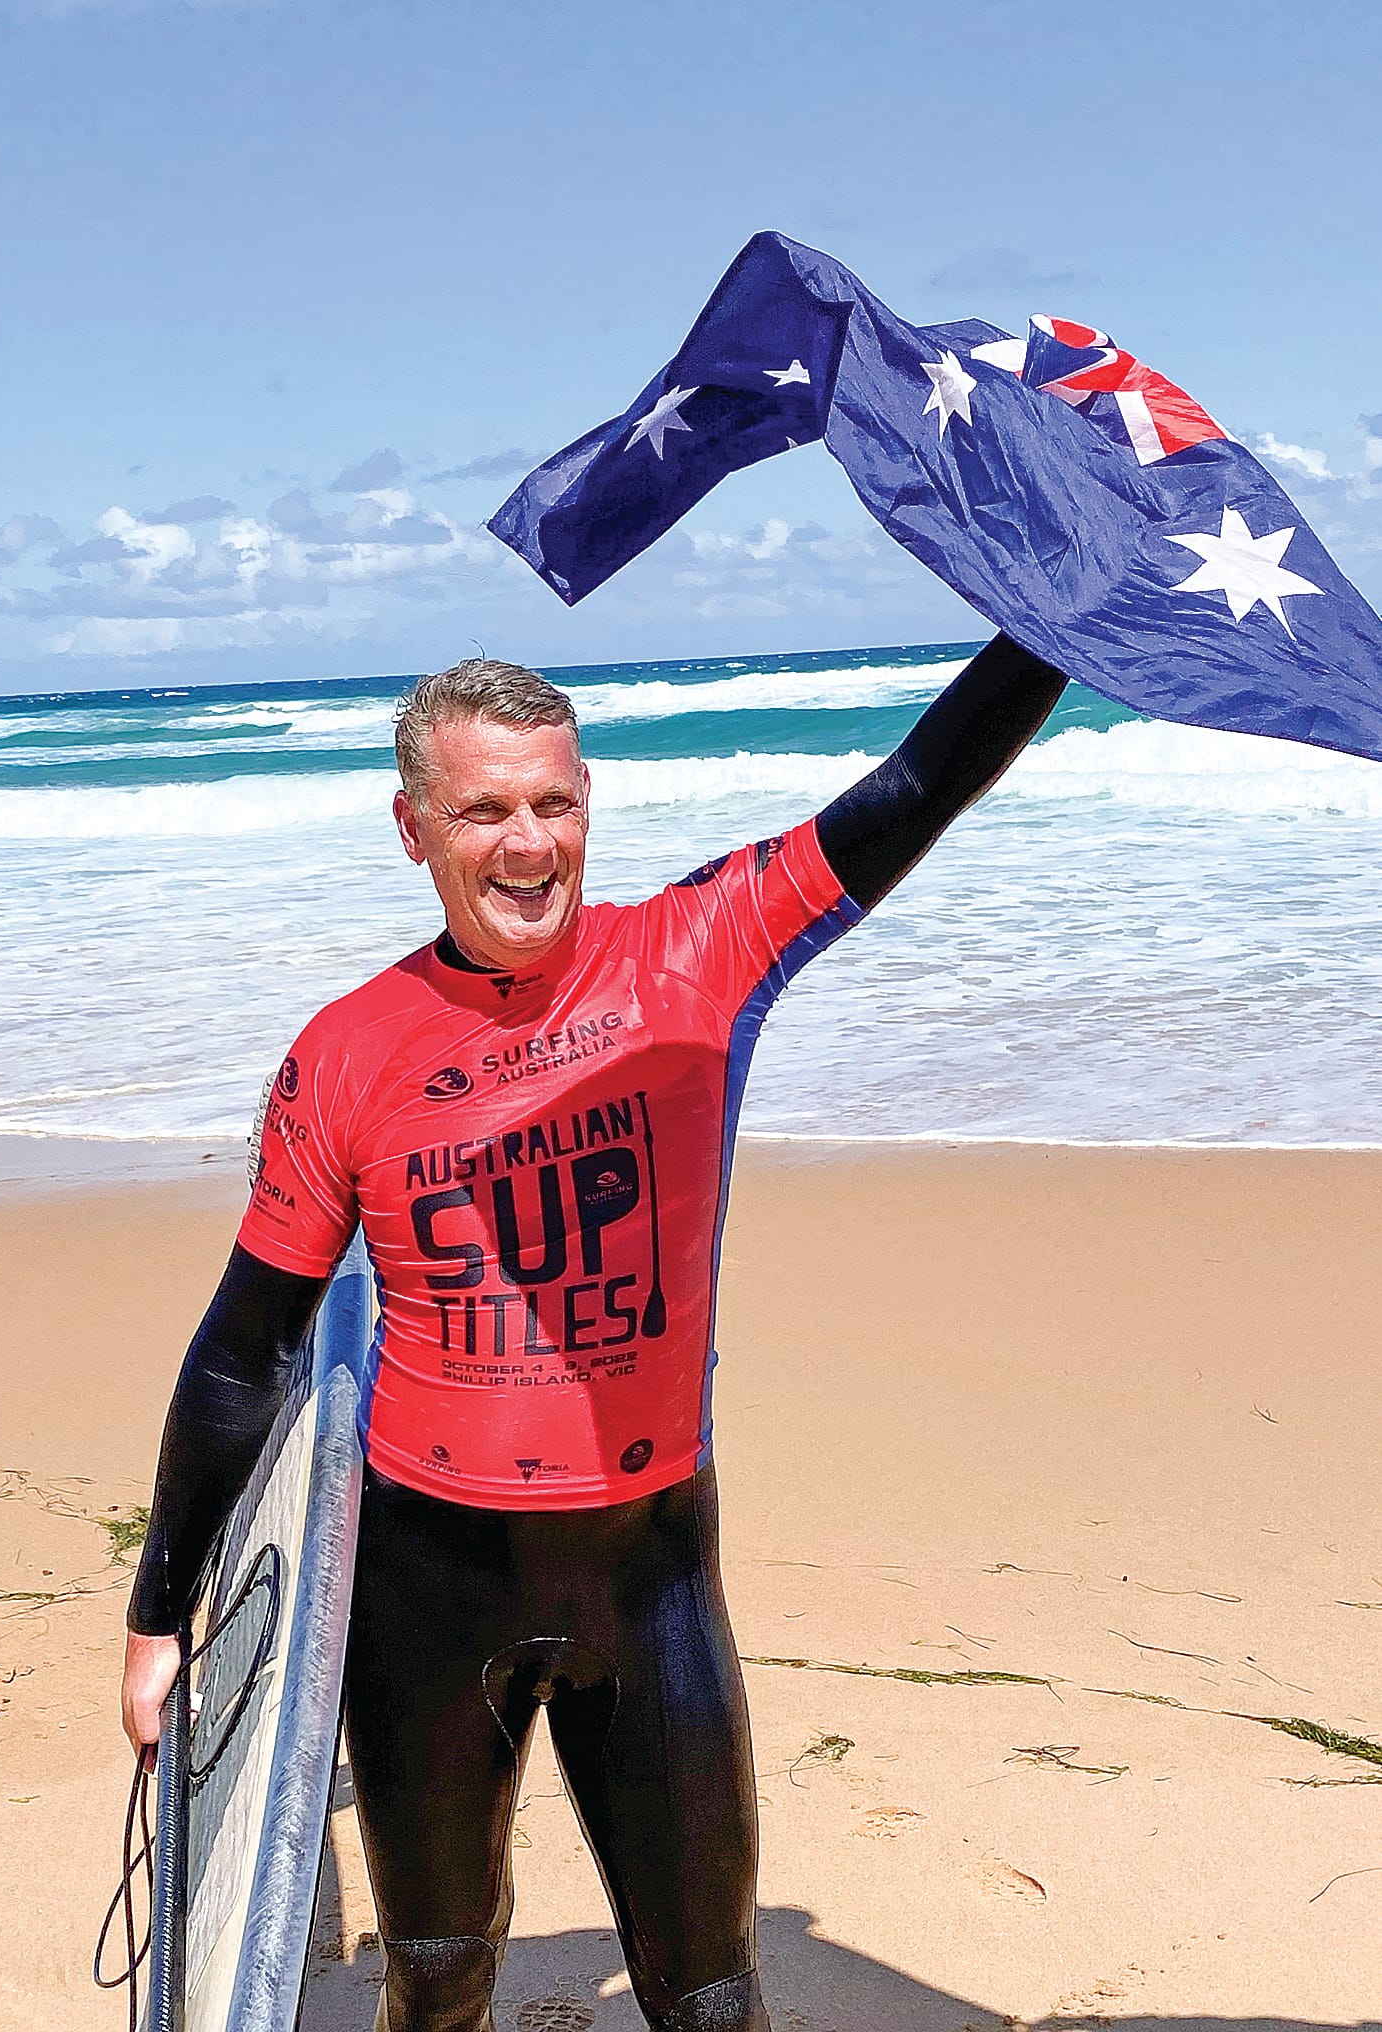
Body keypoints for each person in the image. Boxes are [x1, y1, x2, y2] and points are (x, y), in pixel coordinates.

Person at [122, 639, 1067, 2032]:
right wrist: (159, 1614)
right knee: (439, 1979)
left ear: (589, 803)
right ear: (414, 829)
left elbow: (917, 785)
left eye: (554, 804)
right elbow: (249, 1352)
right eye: (484, 810)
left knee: (711, 1997)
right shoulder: (346, 1055)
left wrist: (1060, 615)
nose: (526, 843)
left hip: (654, 1577)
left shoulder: (698, 952)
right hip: (425, 1587)